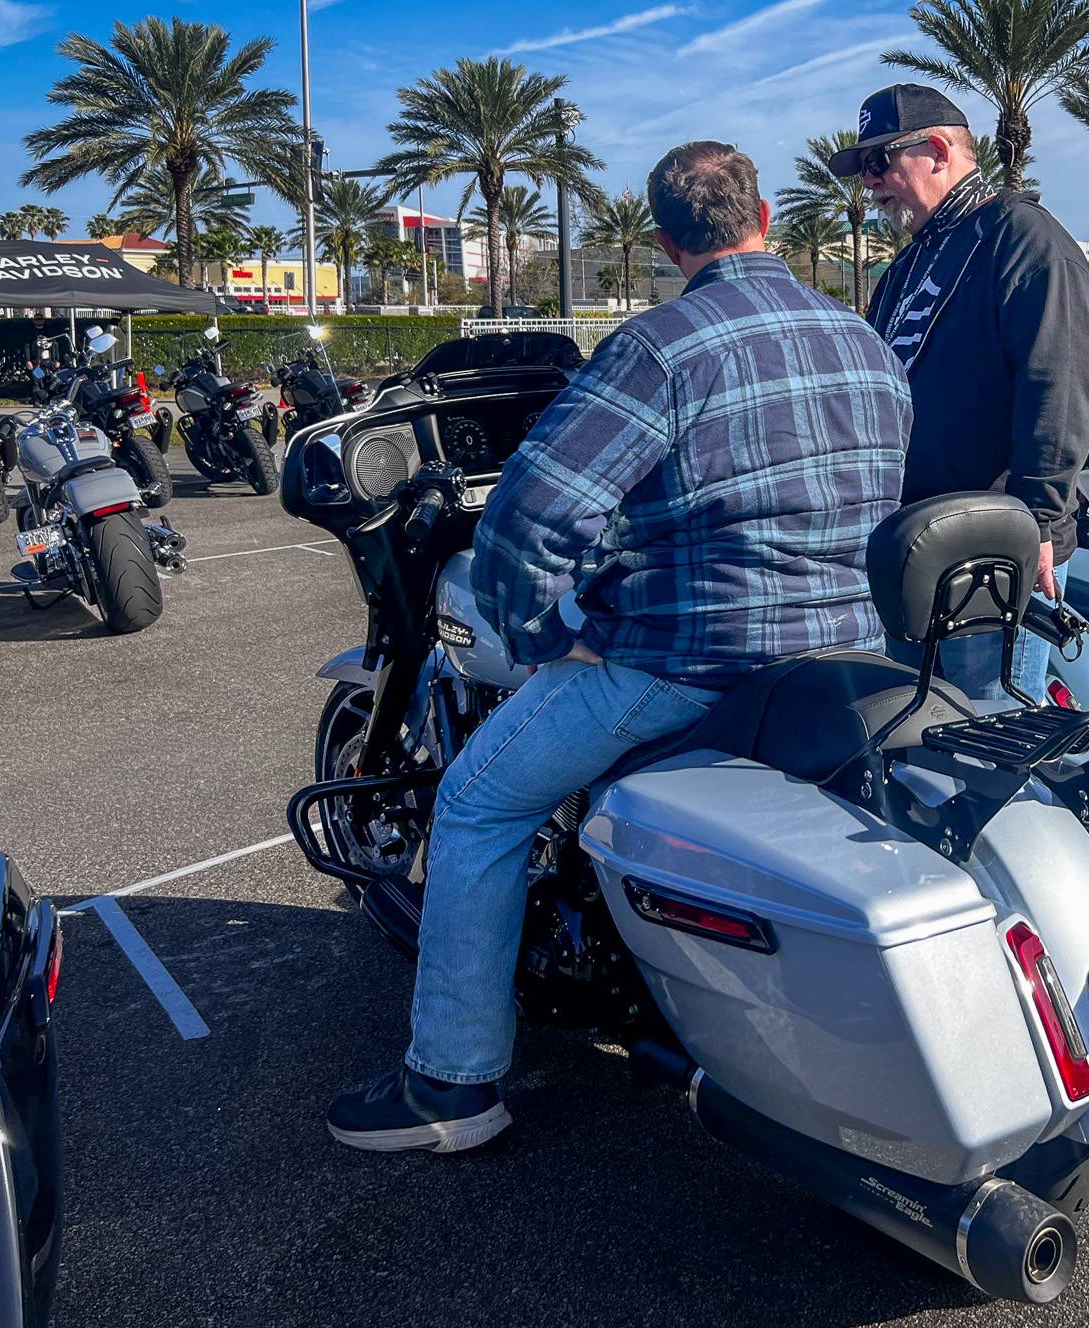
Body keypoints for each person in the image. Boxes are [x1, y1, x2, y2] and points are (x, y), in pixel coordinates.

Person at [327, 141, 913, 1152]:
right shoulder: (862, 339)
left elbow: (525, 521)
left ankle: (449, 1086)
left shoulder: (660, 347)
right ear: (764, 216)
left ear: (663, 241)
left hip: (687, 664)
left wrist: (551, 634)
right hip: (848, 660)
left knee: (474, 802)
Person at [841, 83, 1089, 702]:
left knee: (989, 727)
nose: (869, 183)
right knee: (911, 722)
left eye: (879, 161)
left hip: (991, 544)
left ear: (937, 150)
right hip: (909, 542)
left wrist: (1037, 518)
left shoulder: (1024, 238)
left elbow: (1061, 388)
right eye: (863, 169)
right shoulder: (909, 263)